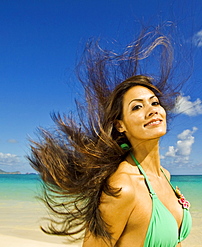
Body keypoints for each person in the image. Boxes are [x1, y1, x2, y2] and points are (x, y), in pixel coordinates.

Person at [28, 29, 192, 247]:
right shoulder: (122, 188)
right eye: (137, 107)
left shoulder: (165, 176)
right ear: (120, 125)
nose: (152, 110)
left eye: (154, 102)